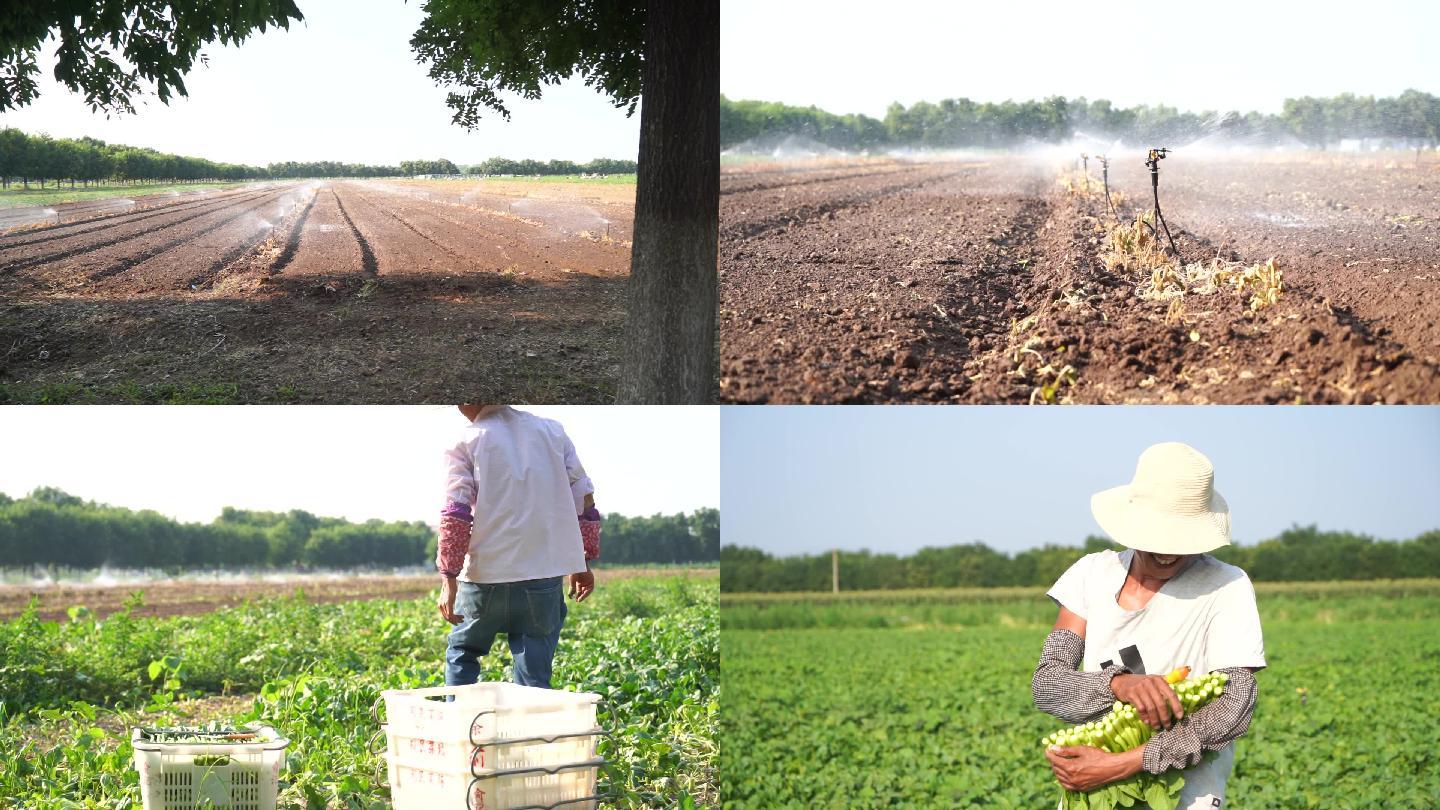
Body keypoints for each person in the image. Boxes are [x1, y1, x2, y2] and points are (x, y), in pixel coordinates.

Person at [1032, 442, 1265, 810]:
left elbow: (1234, 704)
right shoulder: (1090, 574)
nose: (1169, 551)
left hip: (1182, 794)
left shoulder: (1226, 586)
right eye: (1158, 534)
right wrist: (1120, 684)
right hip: (1089, 790)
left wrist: (1122, 764)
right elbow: (1048, 683)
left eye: (1181, 537)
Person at [435, 404, 599, 689]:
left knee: (463, 654)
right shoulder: (553, 432)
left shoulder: (464, 440)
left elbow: (456, 514)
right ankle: (529, 732)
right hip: (542, 575)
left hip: (484, 576)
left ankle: (460, 726)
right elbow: (583, 498)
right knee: (534, 676)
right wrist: (582, 562)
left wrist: (448, 579)